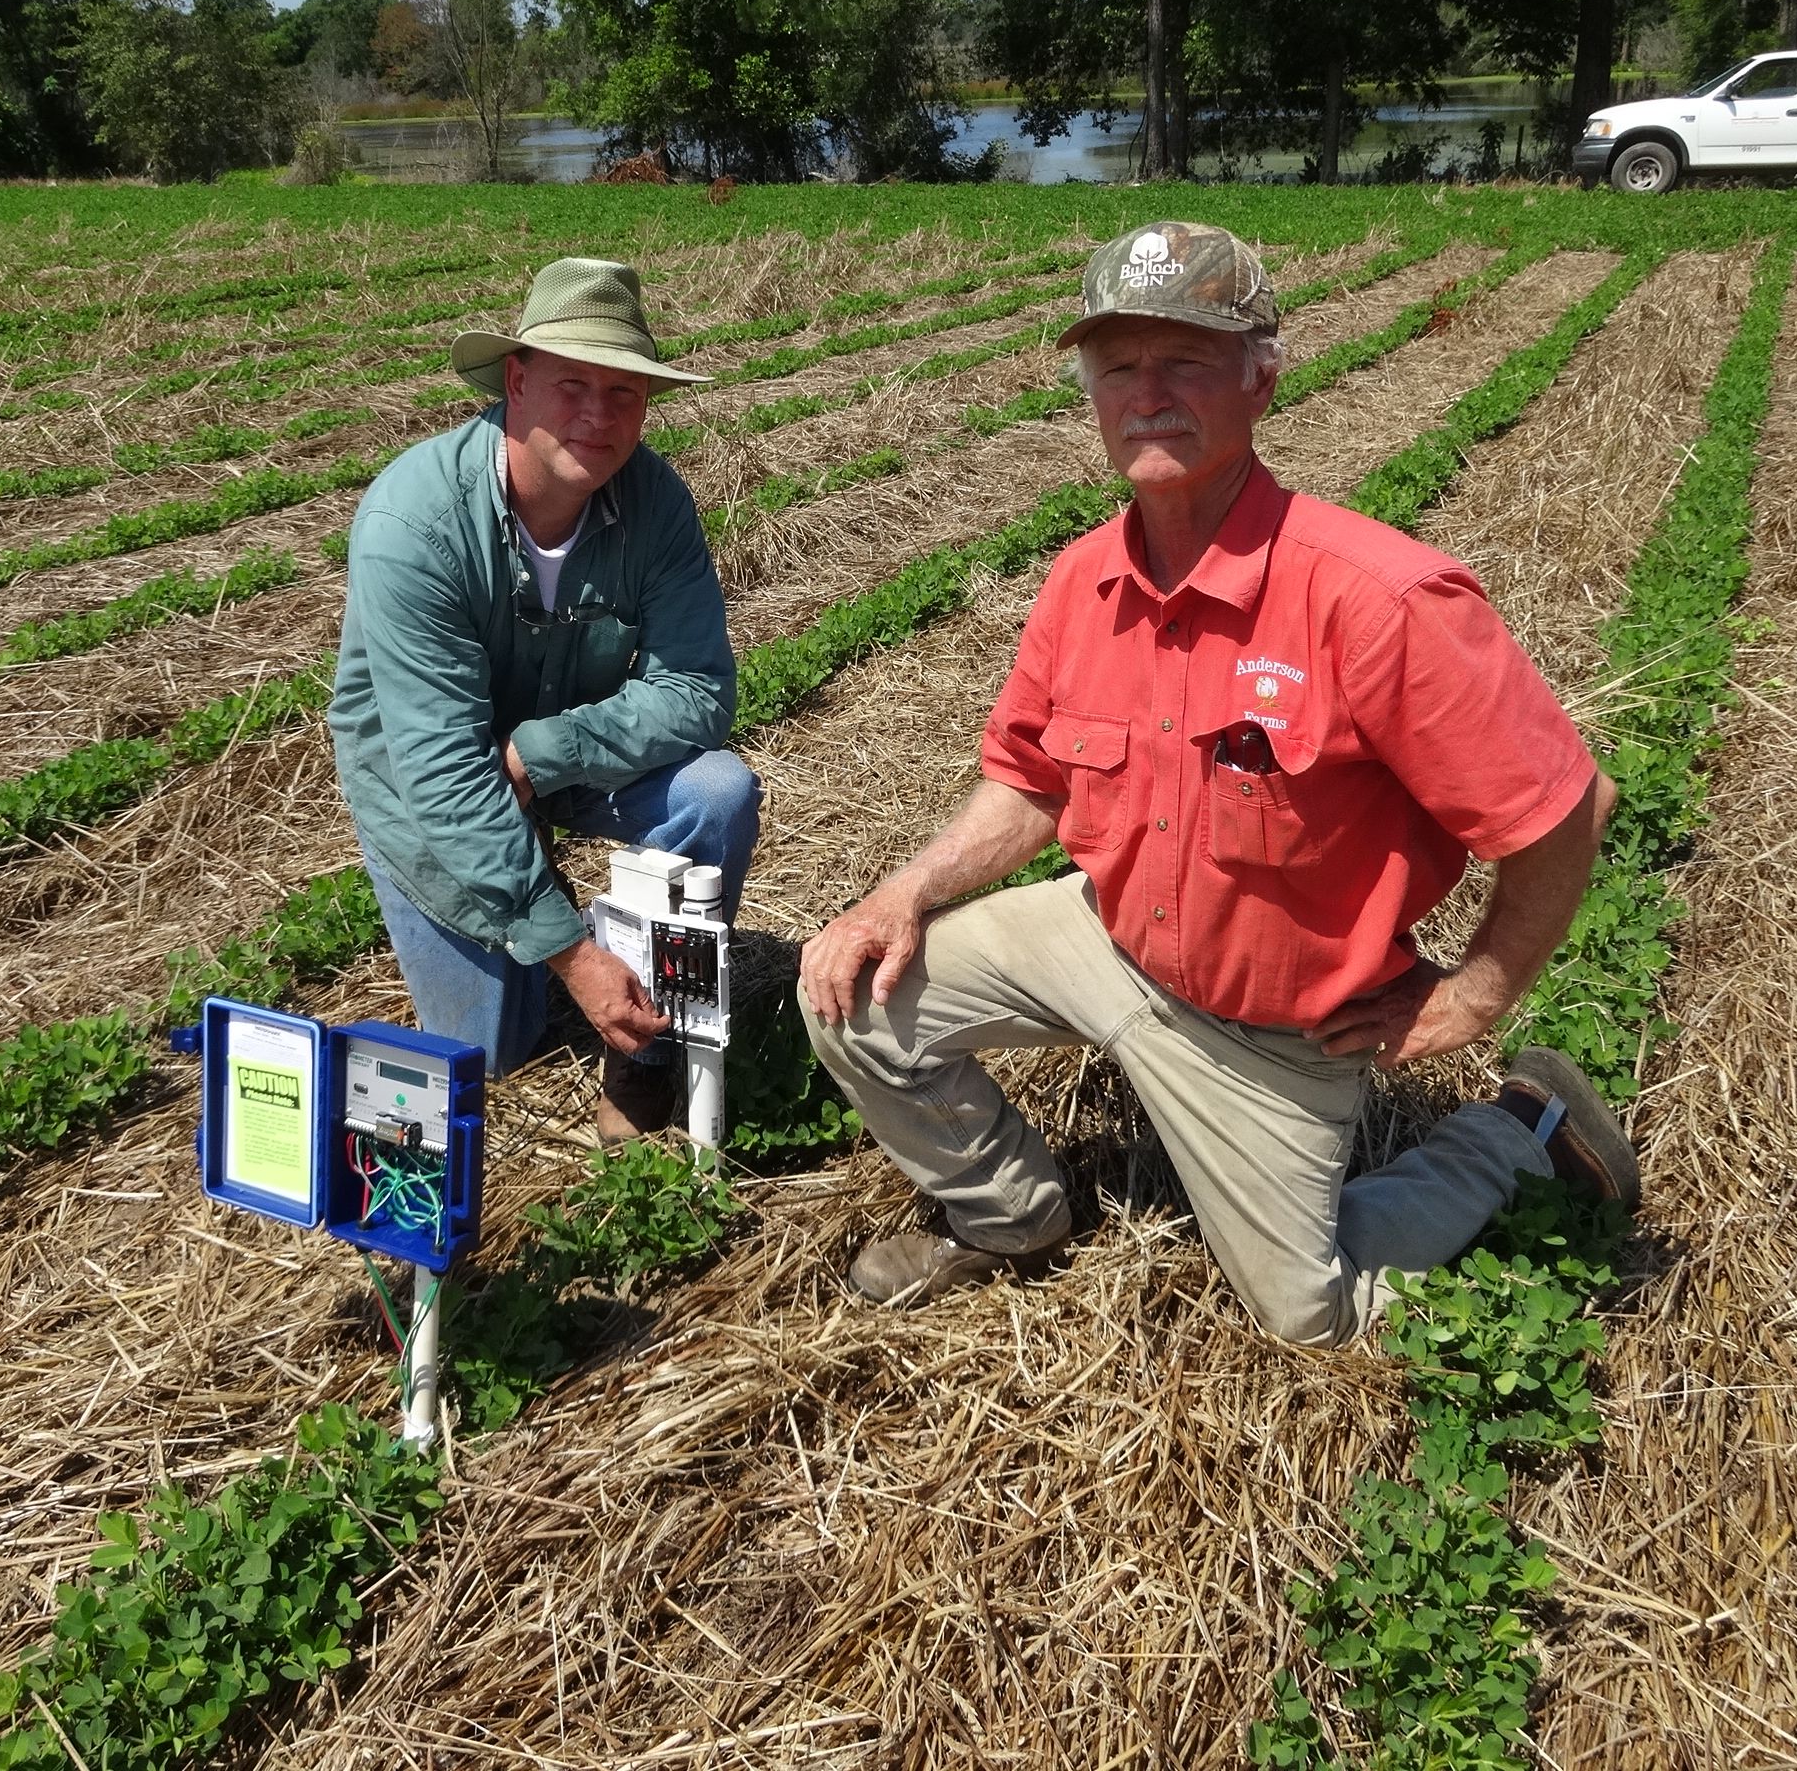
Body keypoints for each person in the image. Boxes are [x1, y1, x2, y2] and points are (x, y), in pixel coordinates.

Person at [797, 221, 1639, 1343]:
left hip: (1268, 1031)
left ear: (1263, 380)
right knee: (851, 1001)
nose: (1149, 392)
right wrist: (902, 895)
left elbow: (1568, 811)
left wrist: (1476, 993)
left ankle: (1521, 1131)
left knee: (1314, 1321)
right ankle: (1008, 1216)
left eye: (1186, 360)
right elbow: (1033, 783)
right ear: (1090, 390)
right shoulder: (1081, 581)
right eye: (1120, 364)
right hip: (1105, 935)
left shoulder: (1376, 601)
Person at [331, 257, 761, 1143]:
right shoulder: (414, 524)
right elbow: (445, 776)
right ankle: (545, 912)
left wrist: (543, 752)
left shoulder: (655, 501)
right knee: (497, 1051)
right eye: (574, 386)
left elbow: (699, 692)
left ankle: (646, 1063)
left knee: (717, 793)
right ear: (517, 382)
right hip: (430, 784)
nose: (600, 418)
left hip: (563, 753)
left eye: (625, 392)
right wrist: (572, 954)